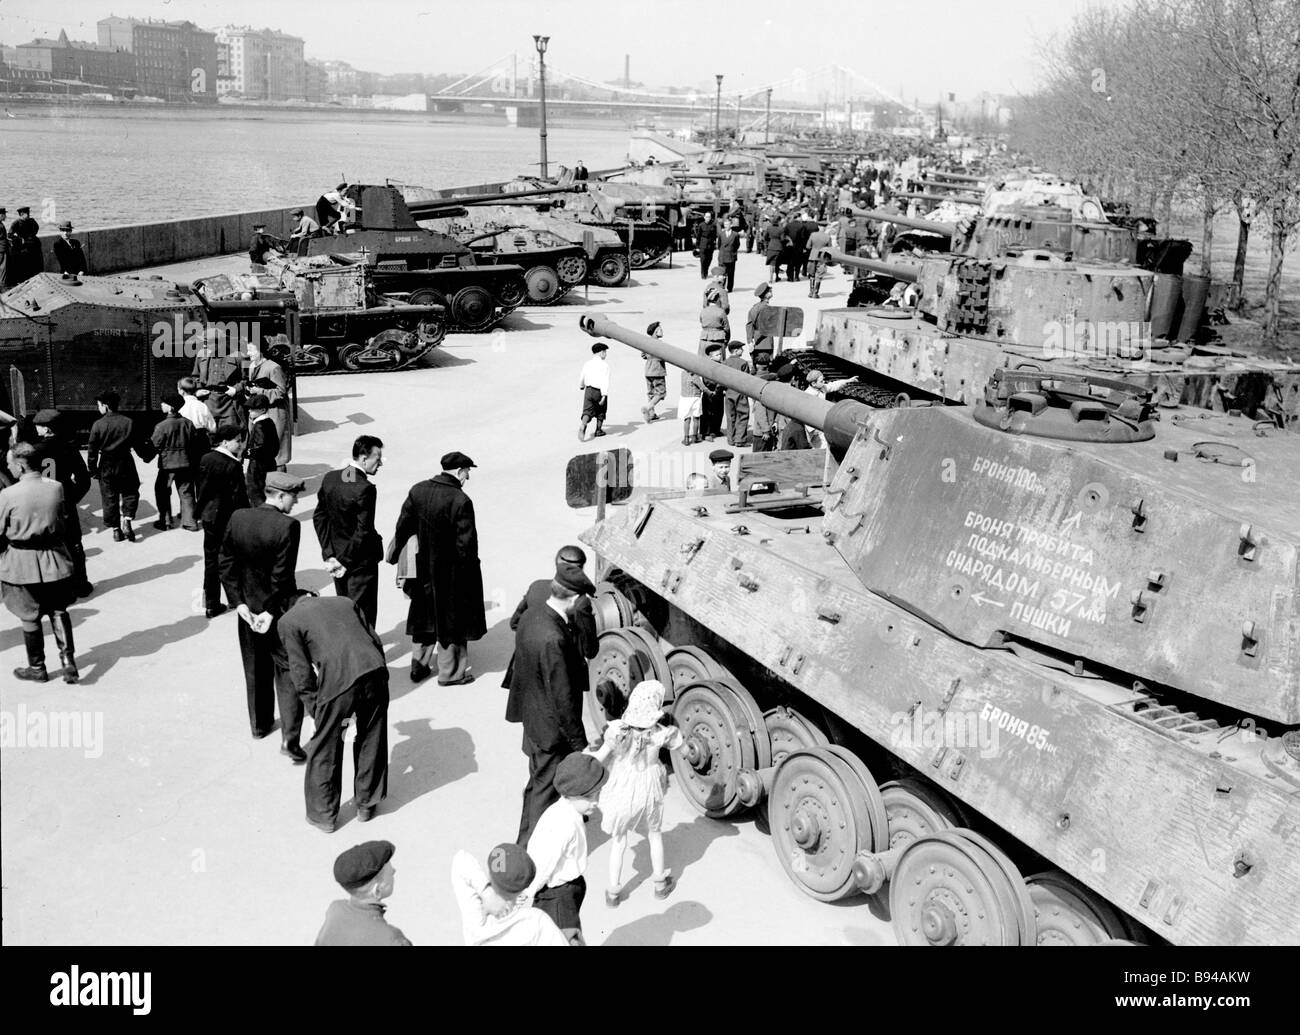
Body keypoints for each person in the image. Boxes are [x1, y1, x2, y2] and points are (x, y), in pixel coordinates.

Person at [279, 591, 390, 833]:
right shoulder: (344, 601)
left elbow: (300, 674)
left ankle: (324, 816)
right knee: (372, 737)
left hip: (339, 682)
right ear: (312, 595)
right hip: (374, 670)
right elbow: (375, 639)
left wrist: (316, 710)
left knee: (325, 747)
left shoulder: (288, 621)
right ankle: (366, 804)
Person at [218, 470, 304, 756]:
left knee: (253, 667)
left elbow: (225, 563)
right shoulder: (288, 526)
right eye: (294, 496)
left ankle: (259, 724)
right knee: (287, 669)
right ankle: (289, 738)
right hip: (277, 613)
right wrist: (269, 611)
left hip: (247, 611)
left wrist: (239, 604)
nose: (296, 502)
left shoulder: (239, 517)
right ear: (279, 495)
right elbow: (282, 578)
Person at [505, 567, 592, 846]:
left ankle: (524, 840)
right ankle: (529, 852)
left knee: (536, 783)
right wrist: (581, 744)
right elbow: (563, 699)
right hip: (551, 730)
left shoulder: (532, 615)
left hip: (532, 718)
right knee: (544, 790)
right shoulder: (553, 638)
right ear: (573, 598)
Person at [387, 451, 485, 686]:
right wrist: (470, 574)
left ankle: (419, 667)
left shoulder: (417, 490)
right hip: (451, 574)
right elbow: (466, 545)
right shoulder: (460, 500)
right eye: (467, 472)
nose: (468, 477)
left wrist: (395, 557)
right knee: (452, 620)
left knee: (423, 616)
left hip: (421, 568)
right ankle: (450, 673)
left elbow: (403, 527)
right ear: (460, 472)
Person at [599, 680, 686, 906]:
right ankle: (659, 883)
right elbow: (684, 749)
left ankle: (613, 892)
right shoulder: (662, 733)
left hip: (624, 786)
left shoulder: (619, 730)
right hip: (649, 787)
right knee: (654, 834)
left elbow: (600, 756)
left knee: (619, 840)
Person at [1, 442, 79, 683]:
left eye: (10, 463)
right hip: (54, 559)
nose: (8, 467)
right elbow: (63, 521)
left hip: (20, 562)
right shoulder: (56, 487)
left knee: (29, 615)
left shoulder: (8, 494)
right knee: (58, 609)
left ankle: (38, 668)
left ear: (21, 465)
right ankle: (68, 662)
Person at [522, 751, 608, 945]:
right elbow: (543, 863)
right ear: (571, 794)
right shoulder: (563, 824)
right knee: (565, 939)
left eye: (597, 795)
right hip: (558, 897)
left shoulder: (564, 810)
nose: (596, 802)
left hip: (567, 892)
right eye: (589, 797)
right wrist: (527, 892)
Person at [315, 435, 384, 628]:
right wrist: (344, 560)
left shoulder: (332, 477)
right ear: (363, 458)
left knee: (344, 608)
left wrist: (329, 554)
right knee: (363, 614)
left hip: (335, 556)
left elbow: (319, 517)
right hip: (359, 562)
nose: (379, 464)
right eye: (377, 459)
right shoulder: (365, 488)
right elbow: (363, 530)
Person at [451, 843, 567, 946]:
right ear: (523, 888)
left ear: (490, 875)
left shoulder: (477, 917)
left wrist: (486, 892)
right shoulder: (535, 921)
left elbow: (460, 859)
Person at [32, 408, 93, 597]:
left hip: (42, 505)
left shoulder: (35, 451)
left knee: (48, 546)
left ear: (47, 429)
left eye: (39, 426)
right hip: (64, 501)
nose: (37, 430)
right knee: (74, 544)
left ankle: (59, 588)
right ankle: (81, 584)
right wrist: (72, 498)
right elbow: (84, 479)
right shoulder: (69, 448)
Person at [507, 546, 599, 664]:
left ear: (556, 563)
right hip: (564, 667)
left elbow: (515, 623)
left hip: (528, 665)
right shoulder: (581, 602)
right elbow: (590, 650)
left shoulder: (536, 586)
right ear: (581, 569)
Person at [195, 424, 250, 618]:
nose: (241, 444)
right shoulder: (233, 465)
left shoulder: (206, 458)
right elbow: (239, 497)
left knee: (211, 560)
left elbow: (201, 489)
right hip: (227, 519)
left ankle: (211, 603)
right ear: (225, 442)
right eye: (237, 441)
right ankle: (236, 598)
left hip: (209, 516)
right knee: (231, 560)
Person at [315, 840, 411, 946]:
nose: (394, 870)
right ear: (377, 890)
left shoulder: (335, 909)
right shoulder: (392, 939)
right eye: (390, 873)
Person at [86, 390, 141, 543]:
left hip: (106, 463)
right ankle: (127, 520)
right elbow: (138, 444)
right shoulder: (129, 422)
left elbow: (92, 450)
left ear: (105, 406)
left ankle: (116, 530)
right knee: (130, 492)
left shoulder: (98, 424)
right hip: (126, 462)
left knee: (109, 497)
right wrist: (147, 456)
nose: (99, 408)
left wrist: (93, 469)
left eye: (99, 405)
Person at [148, 393, 196, 532]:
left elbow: (155, 445)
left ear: (170, 407)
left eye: (163, 403)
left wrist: (147, 456)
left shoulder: (161, 426)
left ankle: (166, 521)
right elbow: (193, 443)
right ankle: (190, 522)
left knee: (162, 491)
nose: (161, 405)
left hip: (167, 465)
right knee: (186, 492)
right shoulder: (188, 423)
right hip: (186, 463)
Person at [244, 338, 291, 468]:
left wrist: (259, 390)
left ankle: (280, 479)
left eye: (251, 350)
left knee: (276, 447)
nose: (248, 354)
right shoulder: (252, 366)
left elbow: (281, 392)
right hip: (259, 411)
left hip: (274, 411)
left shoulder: (274, 367)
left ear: (261, 351)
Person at [192, 330, 246, 431]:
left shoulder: (238, 357)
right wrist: (198, 390)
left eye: (208, 343)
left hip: (229, 402)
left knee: (230, 434)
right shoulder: (201, 356)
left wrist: (236, 389)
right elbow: (195, 377)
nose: (204, 346)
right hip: (208, 401)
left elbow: (246, 380)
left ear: (220, 342)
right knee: (210, 435)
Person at [244, 396, 280, 507]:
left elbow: (259, 446)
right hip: (269, 462)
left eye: (253, 409)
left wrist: (247, 453)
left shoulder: (259, 425)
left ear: (263, 410)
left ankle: (257, 514)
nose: (249, 411)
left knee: (255, 490)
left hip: (258, 464)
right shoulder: (269, 422)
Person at [577, 342, 610, 442]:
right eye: (605, 352)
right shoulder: (605, 365)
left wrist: (581, 386)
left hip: (588, 390)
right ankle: (598, 430)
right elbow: (605, 381)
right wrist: (604, 395)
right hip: (598, 391)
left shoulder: (587, 363)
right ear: (601, 352)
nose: (606, 354)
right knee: (601, 410)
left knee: (587, 410)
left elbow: (582, 376)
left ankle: (583, 424)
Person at [723, 342, 752, 447]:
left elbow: (721, 378)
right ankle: (740, 440)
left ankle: (731, 439)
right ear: (735, 350)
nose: (742, 350)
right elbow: (746, 379)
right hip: (740, 393)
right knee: (743, 415)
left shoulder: (725, 362)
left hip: (728, 392)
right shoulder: (743, 363)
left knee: (730, 417)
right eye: (741, 349)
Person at [8, 205, 43, 283]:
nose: (28, 214)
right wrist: (20, 239)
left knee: (36, 262)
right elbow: (10, 234)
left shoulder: (32, 221)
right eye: (26, 213)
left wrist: (32, 236)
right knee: (24, 264)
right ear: (21, 214)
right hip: (24, 246)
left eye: (28, 213)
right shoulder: (16, 223)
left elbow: (36, 228)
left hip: (33, 244)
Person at [640, 322, 667, 423]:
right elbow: (664, 356)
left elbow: (643, 355)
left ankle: (652, 414)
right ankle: (647, 408)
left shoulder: (646, 342)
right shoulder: (660, 344)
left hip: (648, 370)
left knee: (651, 393)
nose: (662, 331)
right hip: (658, 371)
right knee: (661, 393)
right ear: (656, 332)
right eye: (660, 329)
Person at [700, 343, 726, 441]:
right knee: (707, 413)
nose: (720, 356)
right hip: (710, 392)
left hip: (719, 392)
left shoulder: (722, 365)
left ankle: (716, 430)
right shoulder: (707, 366)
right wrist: (715, 387)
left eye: (720, 354)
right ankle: (705, 432)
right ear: (711, 357)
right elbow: (706, 380)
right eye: (717, 355)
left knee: (719, 412)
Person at [806, 221, 832, 299]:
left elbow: (808, 246)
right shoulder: (827, 237)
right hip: (822, 257)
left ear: (818, 227)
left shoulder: (813, 235)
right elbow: (830, 248)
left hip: (813, 256)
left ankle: (810, 292)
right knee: (819, 275)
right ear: (825, 227)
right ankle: (815, 293)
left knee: (812, 274)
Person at [747, 282, 774, 354]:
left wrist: (750, 341)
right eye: (770, 290)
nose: (771, 291)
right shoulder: (766, 308)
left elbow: (749, 325)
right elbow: (765, 327)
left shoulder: (755, 307)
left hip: (756, 342)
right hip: (765, 342)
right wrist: (756, 340)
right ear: (766, 294)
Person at [717, 217, 741, 293]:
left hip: (731, 256)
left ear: (731, 225)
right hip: (723, 256)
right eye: (725, 224)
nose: (726, 226)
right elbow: (719, 245)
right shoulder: (721, 234)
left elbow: (737, 245)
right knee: (722, 273)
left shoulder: (735, 234)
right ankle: (722, 287)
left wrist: (732, 251)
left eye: (727, 224)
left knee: (731, 273)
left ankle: (730, 288)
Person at [694, 210, 718, 280]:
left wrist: (715, 244)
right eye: (707, 217)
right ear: (704, 217)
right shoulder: (701, 225)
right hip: (703, 244)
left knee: (709, 259)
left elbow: (714, 236)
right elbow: (698, 236)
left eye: (709, 217)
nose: (708, 218)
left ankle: (706, 270)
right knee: (703, 260)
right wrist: (697, 246)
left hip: (710, 244)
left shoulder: (713, 225)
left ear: (711, 218)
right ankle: (703, 273)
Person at [764, 213, 787, 283]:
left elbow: (765, 237)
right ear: (779, 221)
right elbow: (782, 239)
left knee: (772, 263)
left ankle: (771, 278)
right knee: (777, 263)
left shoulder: (769, 228)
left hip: (771, 246)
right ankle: (777, 276)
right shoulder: (781, 229)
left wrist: (770, 240)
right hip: (779, 247)